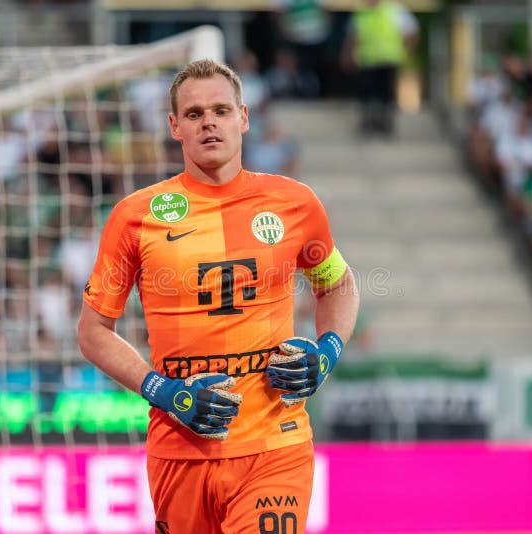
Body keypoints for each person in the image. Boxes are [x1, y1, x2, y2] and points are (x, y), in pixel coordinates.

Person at [77, 59, 359, 534]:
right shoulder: (135, 217)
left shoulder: (294, 203)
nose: (209, 121)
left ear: (244, 118)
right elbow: (92, 332)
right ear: (175, 127)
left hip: (275, 444)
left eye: (221, 110)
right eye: (194, 114)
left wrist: (327, 351)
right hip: (179, 450)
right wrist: (163, 391)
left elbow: (338, 283)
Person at [342, 0, 417, 136]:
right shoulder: (361, 12)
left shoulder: (394, 9)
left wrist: (407, 54)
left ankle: (384, 122)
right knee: (366, 92)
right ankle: (368, 122)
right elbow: (353, 36)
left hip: (388, 59)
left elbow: (410, 33)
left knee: (385, 93)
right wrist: (348, 55)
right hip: (367, 59)